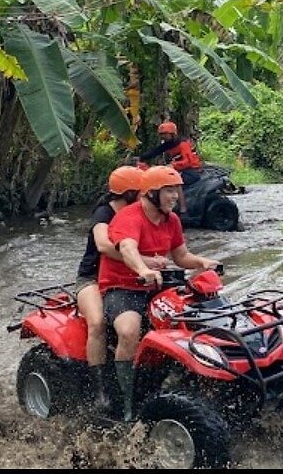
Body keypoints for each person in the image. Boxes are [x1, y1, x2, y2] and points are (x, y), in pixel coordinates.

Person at [97, 164, 221, 421]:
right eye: (169, 191)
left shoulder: (171, 220)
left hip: (156, 286)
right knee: (129, 330)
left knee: (195, 318)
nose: (175, 196)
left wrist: (203, 263)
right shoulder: (129, 217)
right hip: (122, 286)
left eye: (177, 191)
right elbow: (128, 248)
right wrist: (142, 268)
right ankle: (125, 400)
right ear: (151, 194)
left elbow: (181, 255)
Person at [74, 165, 171, 414]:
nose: (143, 196)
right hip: (92, 279)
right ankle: (101, 390)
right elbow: (105, 246)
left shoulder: (140, 213)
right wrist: (147, 262)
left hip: (128, 276)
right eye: (139, 191)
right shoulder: (104, 213)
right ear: (128, 192)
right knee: (97, 323)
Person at [138, 121, 203, 214]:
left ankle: (183, 208)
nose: (163, 136)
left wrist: (173, 165)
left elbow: (188, 162)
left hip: (192, 170)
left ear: (172, 134)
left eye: (165, 134)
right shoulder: (169, 143)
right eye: (161, 134)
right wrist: (141, 158)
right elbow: (156, 151)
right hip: (180, 168)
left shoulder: (183, 144)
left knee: (176, 182)